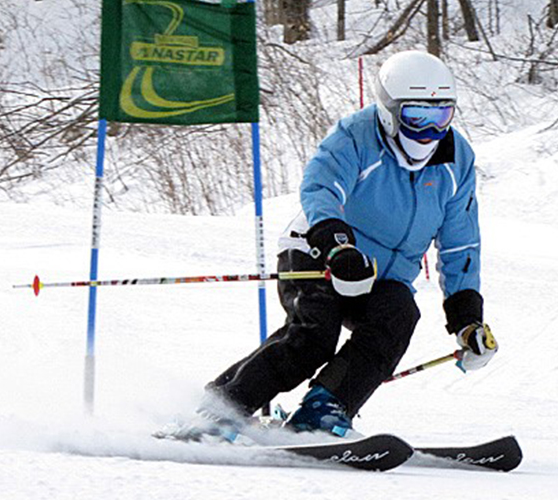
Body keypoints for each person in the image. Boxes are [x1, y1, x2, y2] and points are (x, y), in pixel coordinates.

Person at [201, 50, 498, 439]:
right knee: (314, 335)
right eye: (416, 118)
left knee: (398, 316)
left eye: (441, 117)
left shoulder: (456, 161)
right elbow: (322, 186)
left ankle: (324, 411)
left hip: (382, 276)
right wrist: (338, 246)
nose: (429, 133)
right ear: (390, 111)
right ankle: (221, 409)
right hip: (318, 253)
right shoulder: (356, 136)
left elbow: (461, 243)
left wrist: (466, 319)